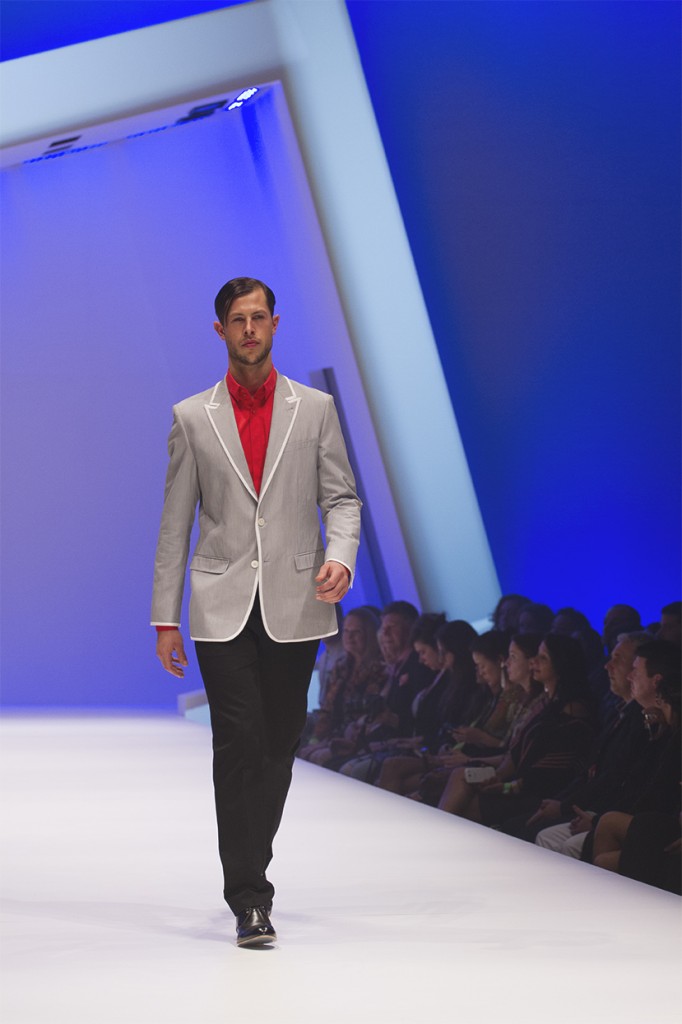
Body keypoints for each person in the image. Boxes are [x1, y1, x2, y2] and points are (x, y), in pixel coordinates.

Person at [151, 277, 361, 947]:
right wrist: (165, 618)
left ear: (275, 324)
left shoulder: (315, 409)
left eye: (259, 317)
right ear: (221, 329)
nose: (250, 329)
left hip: (297, 601)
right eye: (238, 319)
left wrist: (342, 557)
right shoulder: (193, 416)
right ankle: (249, 896)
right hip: (221, 606)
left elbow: (342, 498)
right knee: (237, 741)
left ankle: (250, 866)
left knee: (279, 742)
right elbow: (175, 522)